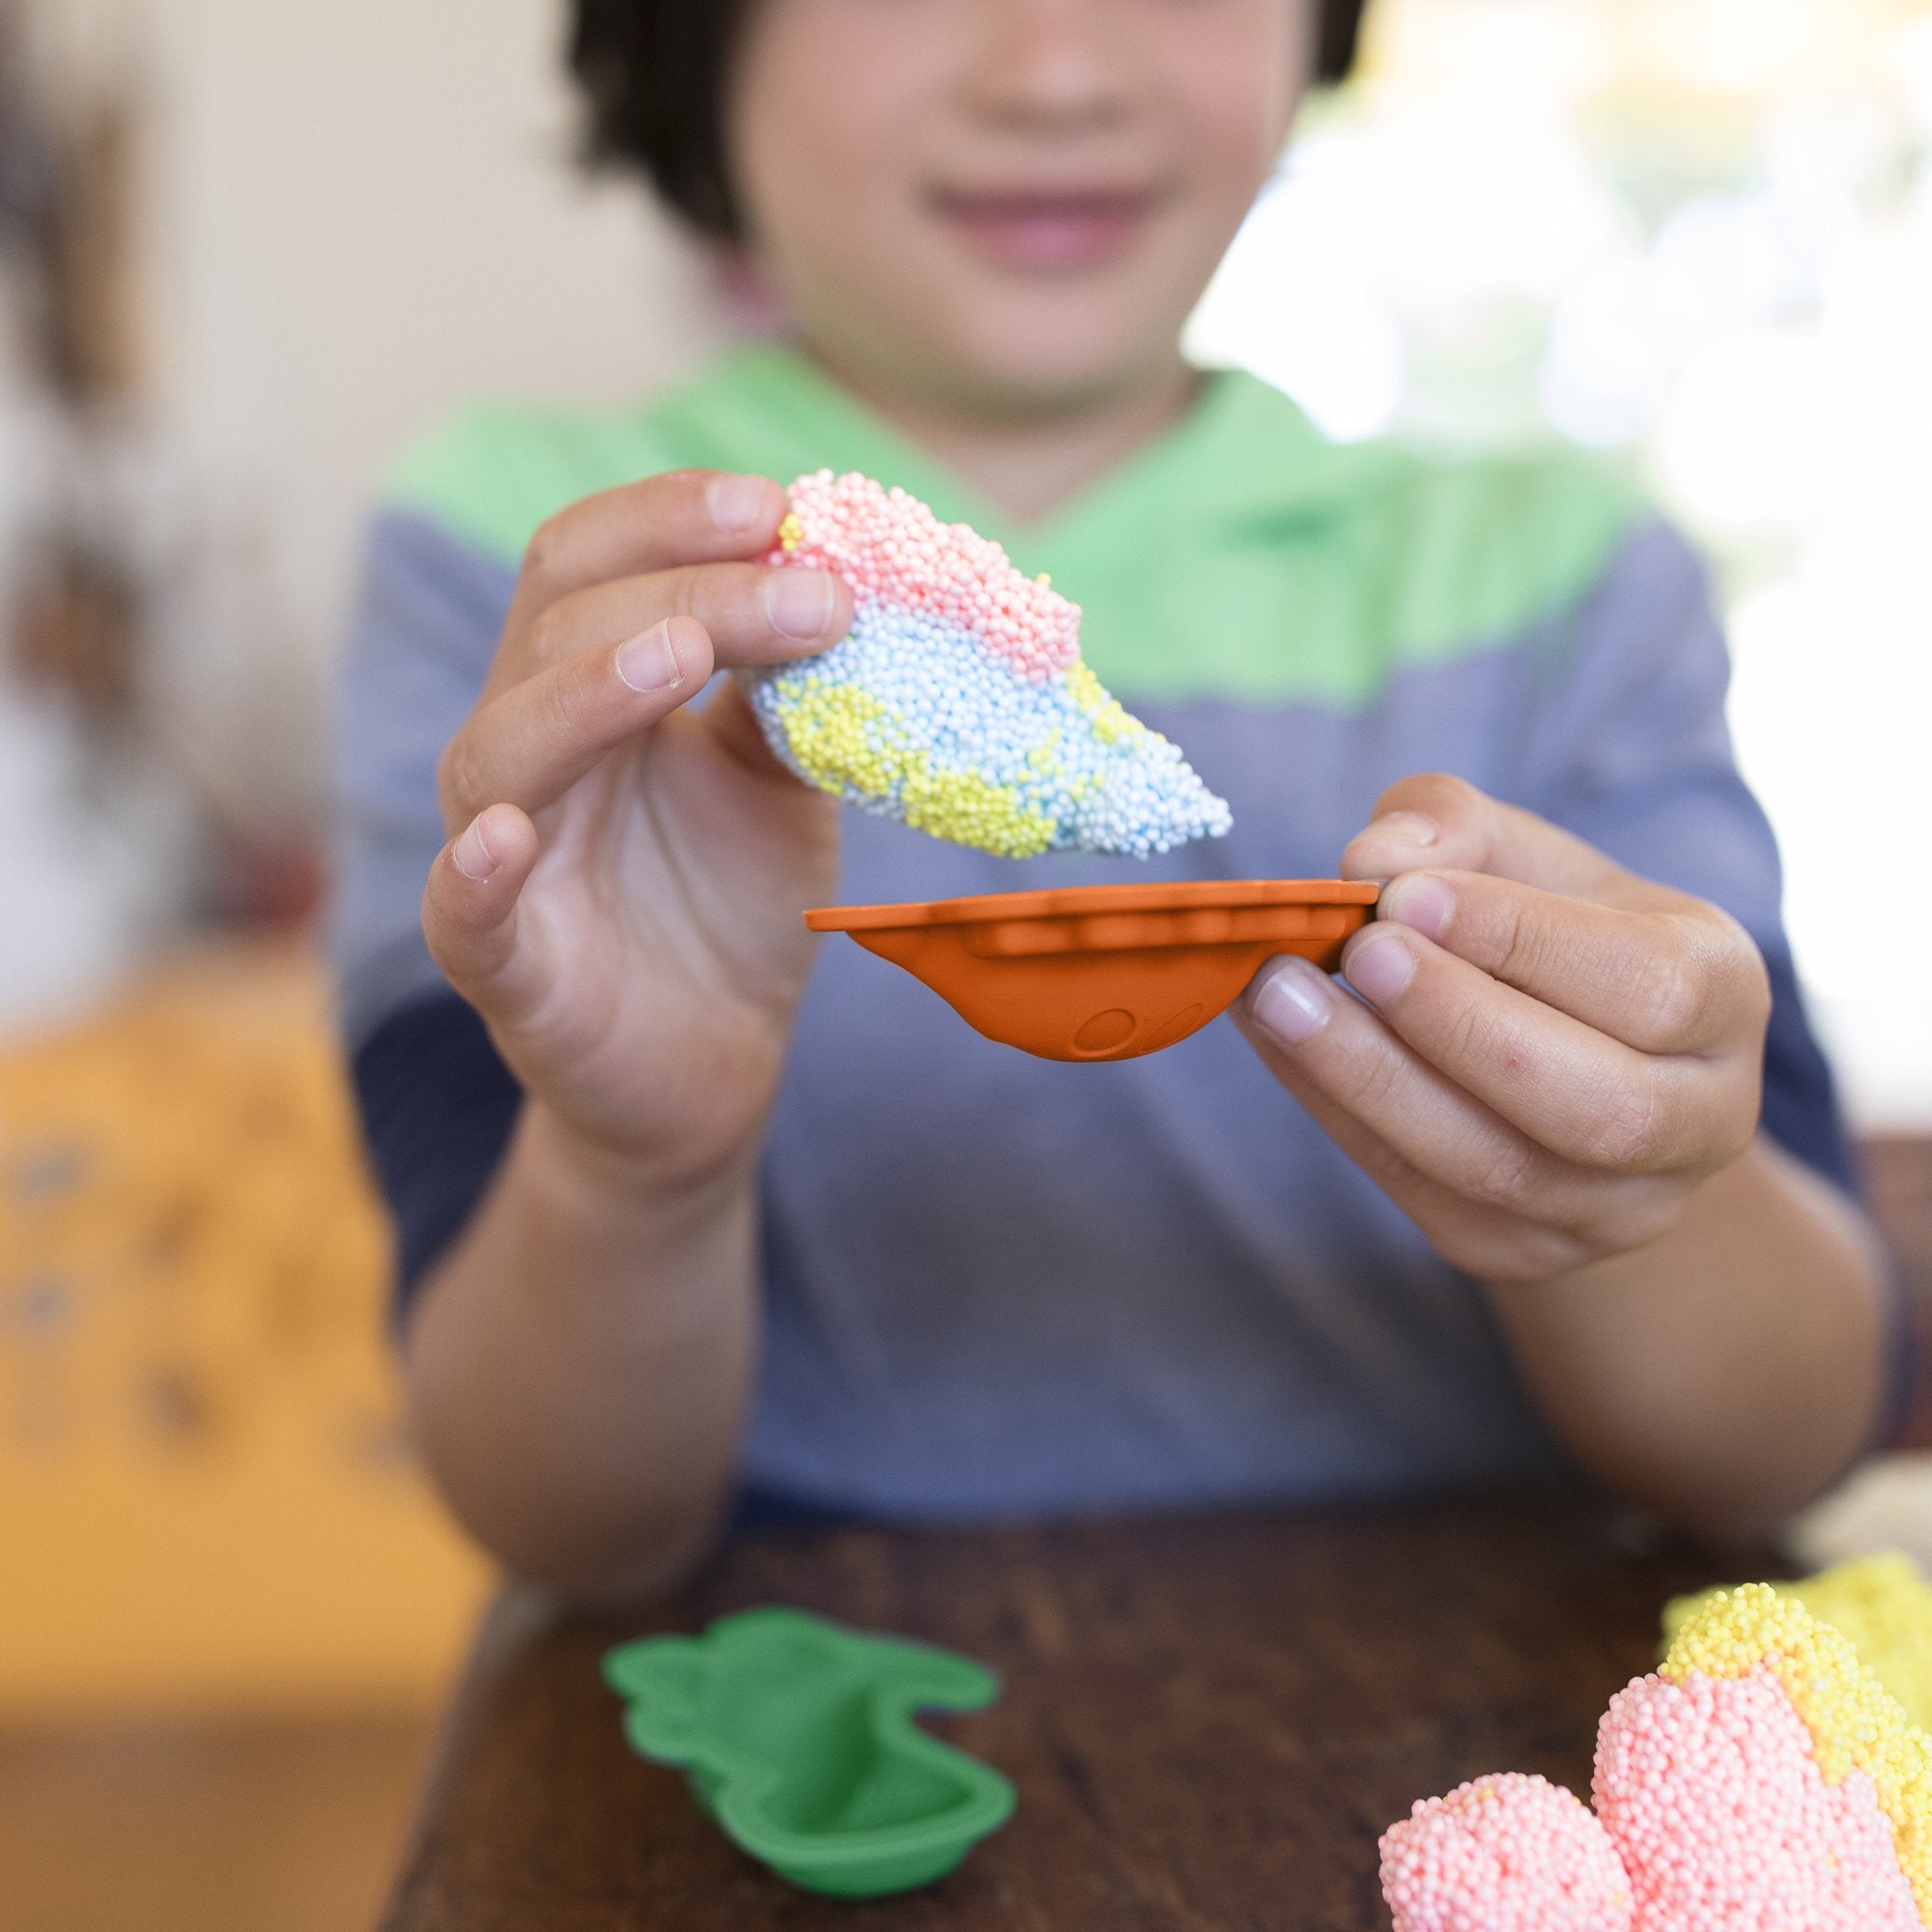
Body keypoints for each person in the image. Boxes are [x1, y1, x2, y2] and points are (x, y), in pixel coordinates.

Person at [332, 0, 1899, 1599]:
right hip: (796, 1667)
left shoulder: (1562, 582)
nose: (1057, 74)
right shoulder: (539, 581)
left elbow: (1783, 1439)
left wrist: (1617, 1166)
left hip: (1504, 1666)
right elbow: (558, 1518)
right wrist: (636, 1165)